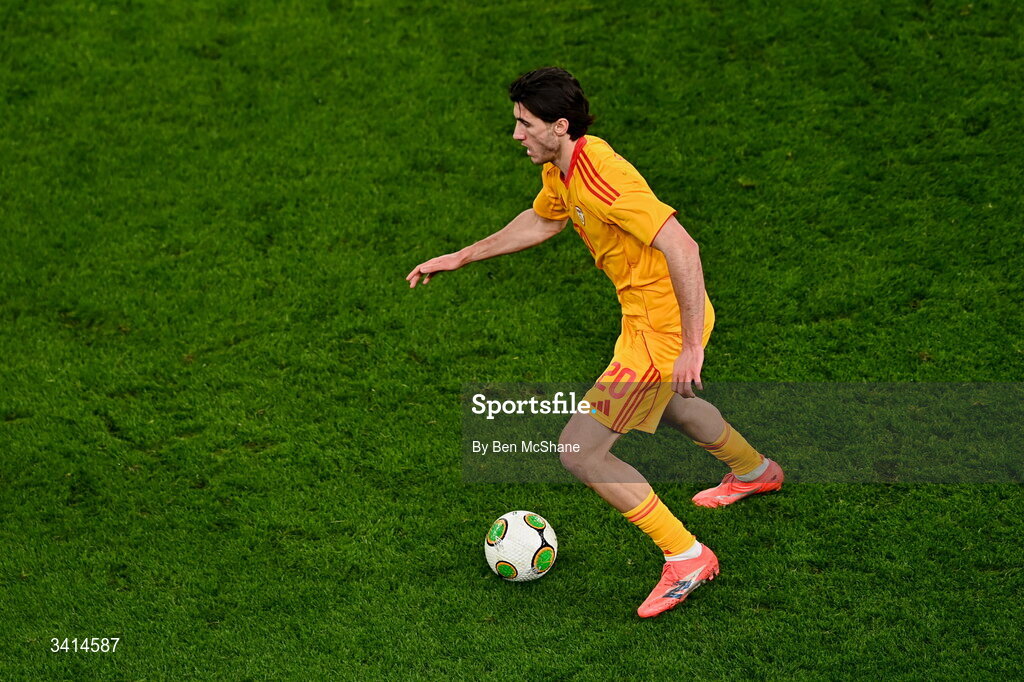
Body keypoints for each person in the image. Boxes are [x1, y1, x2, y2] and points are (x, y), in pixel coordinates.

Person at [406, 67, 783, 618]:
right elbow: (542, 222)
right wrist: (462, 256)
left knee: (579, 451)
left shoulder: (602, 177)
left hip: (662, 330)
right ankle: (755, 472)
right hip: (644, 320)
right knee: (673, 406)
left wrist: (689, 347)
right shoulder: (562, 169)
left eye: (525, 124)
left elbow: (684, 247)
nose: (516, 135)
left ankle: (686, 556)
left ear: (559, 126)